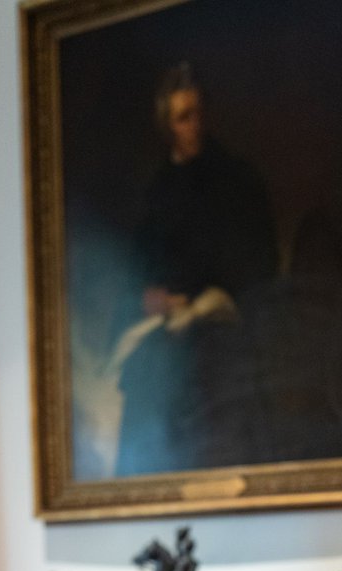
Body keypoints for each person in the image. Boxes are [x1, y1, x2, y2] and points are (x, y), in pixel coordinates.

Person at [113, 62, 279, 476]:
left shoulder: (237, 179)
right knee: (143, 387)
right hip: (164, 330)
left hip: (221, 328)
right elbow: (139, 267)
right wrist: (147, 298)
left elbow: (259, 264)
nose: (195, 126)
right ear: (167, 126)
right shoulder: (157, 190)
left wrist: (213, 297)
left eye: (199, 113)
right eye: (184, 118)